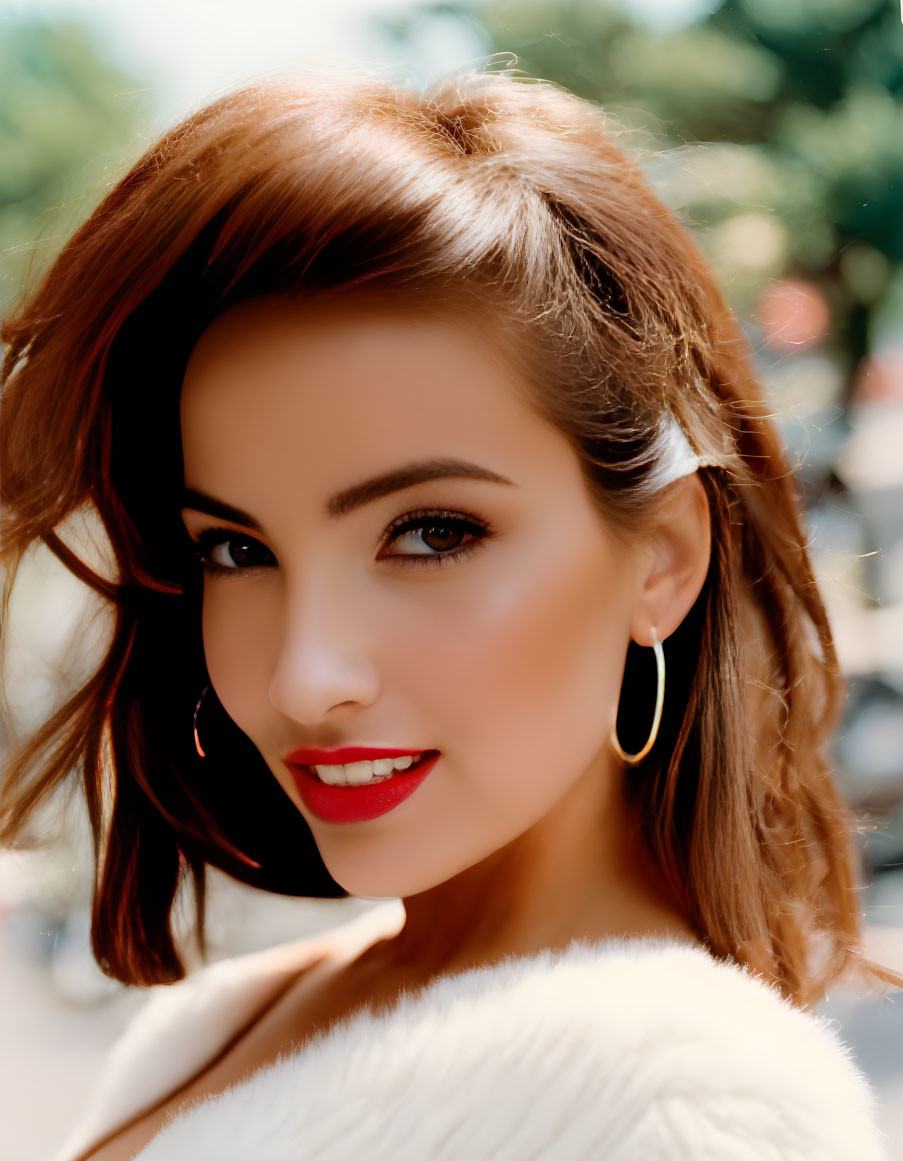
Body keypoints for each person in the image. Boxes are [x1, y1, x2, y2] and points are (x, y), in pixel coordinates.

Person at [1, 65, 899, 1160]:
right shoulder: (254, 1011)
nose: (305, 676)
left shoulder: (685, 1113)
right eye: (236, 550)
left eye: (430, 533)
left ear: (661, 559)